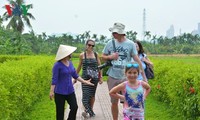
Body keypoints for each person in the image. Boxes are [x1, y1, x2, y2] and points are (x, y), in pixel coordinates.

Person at [101, 22, 148, 120]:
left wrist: (143, 76)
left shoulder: (130, 44)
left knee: (126, 102)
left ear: (122, 33)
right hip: (113, 75)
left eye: (115, 32)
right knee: (113, 101)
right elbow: (103, 57)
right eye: (113, 32)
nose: (114, 34)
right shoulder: (110, 43)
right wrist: (111, 57)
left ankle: (126, 118)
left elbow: (136, 59)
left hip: (125, 77)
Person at [49, 44, 94, 120]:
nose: (71, 54)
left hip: (70, 91)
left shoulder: (70, 63)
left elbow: (75, 75)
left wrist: (85, 82)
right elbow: (54, 79)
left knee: (74, 107)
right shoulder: (57, 65)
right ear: (65, 54)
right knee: (60, 112)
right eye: (70, 53)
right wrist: (51, 91)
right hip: (59, 92)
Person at [76, 39, 103, 118]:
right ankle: (87, 110)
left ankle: (90, 110)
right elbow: (79, 67)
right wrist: (75, 77)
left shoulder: (96, 54)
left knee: (92, 95)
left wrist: (100, 77)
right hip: (84, 78)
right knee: (85, 95)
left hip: (94, 78)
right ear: (86, 45)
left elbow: (100, 67)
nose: (91, 47)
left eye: (92, 45)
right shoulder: (82, 55)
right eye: (89, 45)